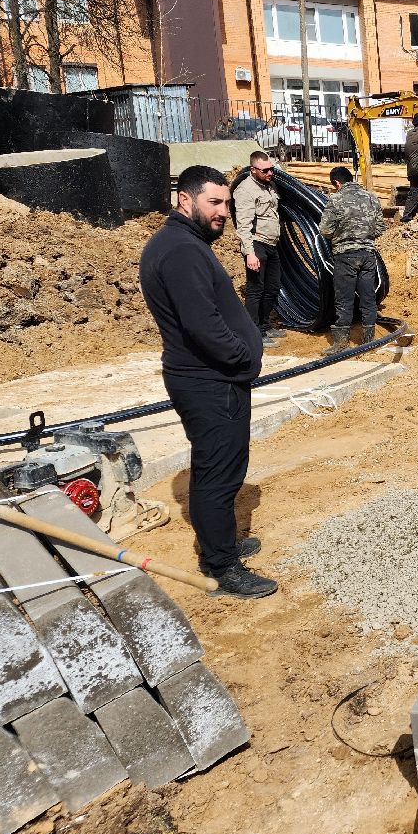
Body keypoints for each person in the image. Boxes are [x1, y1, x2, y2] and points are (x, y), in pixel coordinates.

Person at [138, 166, 278, 600]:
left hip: (210, 379)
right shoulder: (181, 250)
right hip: (209, 382)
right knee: (217, 474)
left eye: (227, 204)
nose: (223, 212)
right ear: (185, 200)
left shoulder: (184, 244)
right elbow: (204, 326)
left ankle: (223, 544)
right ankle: (221, 567)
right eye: (214, 203)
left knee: (219, 467)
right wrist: (242, 359)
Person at [320, 166, 386, 351]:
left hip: (345, 256)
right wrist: (364, 236)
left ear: (337, 183)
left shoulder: (336, 200)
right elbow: (380, 227)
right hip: (367, 255)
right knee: (368, 297)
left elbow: (325, 230)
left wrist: (343, 235)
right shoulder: (371, 198)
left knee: (344, 299)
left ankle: (341, 343)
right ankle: (369, 340)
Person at [232, 149, 283, 346]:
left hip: (271, 244)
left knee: (272, 287)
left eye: (271, 169)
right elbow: (243, 225)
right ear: (253, 170)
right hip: (257, 244)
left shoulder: (269, 185)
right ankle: (253, 333)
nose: (270, 173)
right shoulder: (245, 190)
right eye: (265, 171)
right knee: (255, 290)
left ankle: (264, 325)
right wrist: (250, 253)